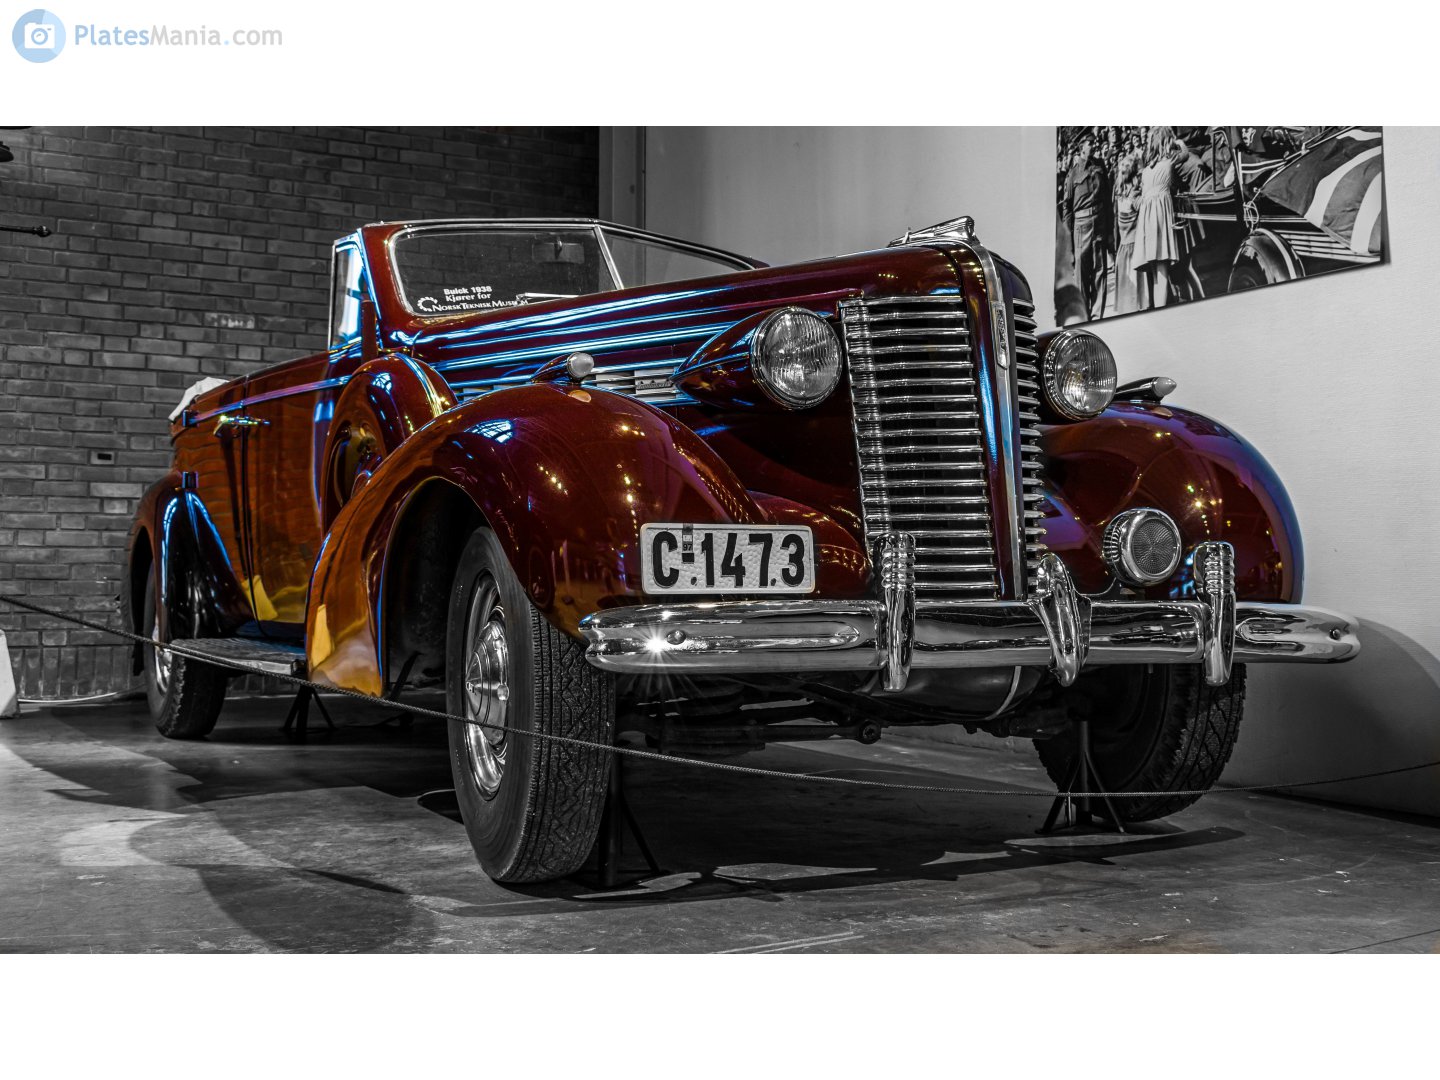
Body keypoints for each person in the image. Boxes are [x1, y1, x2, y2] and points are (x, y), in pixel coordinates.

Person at [1061, 135, 1111, 319]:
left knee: (1100, 272)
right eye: (1090, 143)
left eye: (1094, 142)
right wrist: (1068, 242)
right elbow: (1067, 208)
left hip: (1100, 223)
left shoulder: (1100, 167)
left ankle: (1098, 315)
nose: (1094, 145)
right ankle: (1085, 316)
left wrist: (1111, 232)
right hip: (1080, 227)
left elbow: (1108, 201)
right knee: (1082, 276)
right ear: (1081, 147)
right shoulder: (1072, 174)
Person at [1133, 126, 1180, 309]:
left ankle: (1157, 308)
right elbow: (1183, 152)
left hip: (1147, 219)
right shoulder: (1169, 163)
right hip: (1160, 218)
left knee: (1155, 273)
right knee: (1162, 270)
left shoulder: (1146, 170)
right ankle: (1161, 312)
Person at [1111, 153, 1141, 315]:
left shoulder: (1119, 196)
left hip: (1123, 250)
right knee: (1137, 299)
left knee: (1125, 302)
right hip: (1135, 250)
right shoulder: (1135, 197)